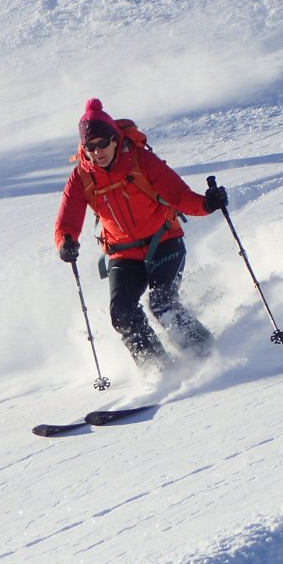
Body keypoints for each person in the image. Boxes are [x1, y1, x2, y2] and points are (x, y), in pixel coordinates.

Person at [54, 98, 226, 371]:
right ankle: (159, 369)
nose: (97, 152)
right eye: (90, 147)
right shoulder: (81, 177)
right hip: (123, 253)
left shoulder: (141, 160)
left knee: (162, 303)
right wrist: (66, 242)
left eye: (102, 144)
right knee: (121, 313)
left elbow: (179, 195)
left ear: (115, 140)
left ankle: (206, 352)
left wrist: (207, 204)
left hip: (164, 241)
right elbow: (67, 220)